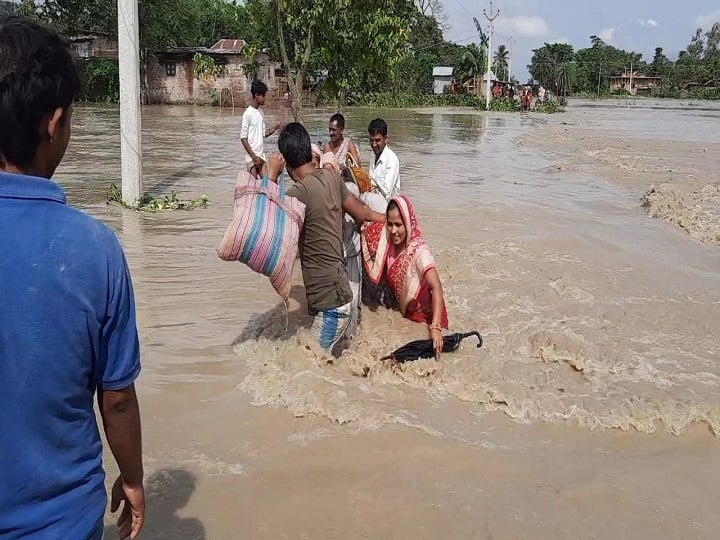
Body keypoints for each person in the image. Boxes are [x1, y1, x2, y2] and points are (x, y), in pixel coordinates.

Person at [0, 17, 144, 540]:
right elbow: (118, 398)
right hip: (61, 520)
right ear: (54, 123)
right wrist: (133, 479)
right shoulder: (96, 250)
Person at [269, 123, 384, 353]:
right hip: (342, 294)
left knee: (308, 364)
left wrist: (271, 175)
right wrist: (391, 219)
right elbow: (363, 214)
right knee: (326, 365)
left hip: (333, 305)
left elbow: (267, 228)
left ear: (287, 162)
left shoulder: (296, 194)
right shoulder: (332, 179)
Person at [362, 196, 449, 358]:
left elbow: (436, 287)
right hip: (406, 314)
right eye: (390, 224)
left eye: (398, 225)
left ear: (408, 224)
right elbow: (368, 217)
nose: (393, 230)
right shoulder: (388, 242)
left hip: (428, 317)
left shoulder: (420, 252)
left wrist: (436, 328)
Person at [241, 79, 282, 177]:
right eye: (263, 96)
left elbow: (264, 133)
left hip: (261, 155)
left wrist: (275, 127)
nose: (264, 99)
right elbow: (243, 138)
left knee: (266, 183)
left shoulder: (261, 113)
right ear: (256, 95)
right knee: (253, 185)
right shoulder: (248, 114)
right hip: (251, 158)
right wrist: (253, 157)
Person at [365, 118, 400, 211]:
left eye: (377, 140)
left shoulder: (392, 159)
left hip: (388, 207)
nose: (374, 144)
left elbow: (387, 192)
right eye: (371, 140)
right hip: (373, 200)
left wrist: (372, 185)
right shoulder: (373, 154)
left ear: (385, 139)